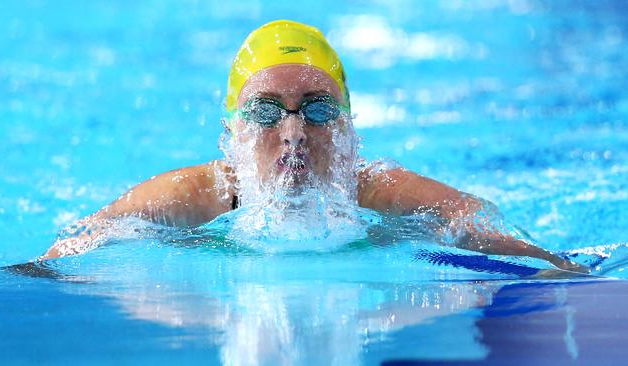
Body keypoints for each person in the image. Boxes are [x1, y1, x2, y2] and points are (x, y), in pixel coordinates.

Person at [42, 20, 586, 273]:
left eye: (320, 109)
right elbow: (73, 246)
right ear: (232, 136)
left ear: (349, 131)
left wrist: (562, 268)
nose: (295, 132)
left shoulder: (371, 189)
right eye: (265, 112)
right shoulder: (197, 194)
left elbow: (472, 219)